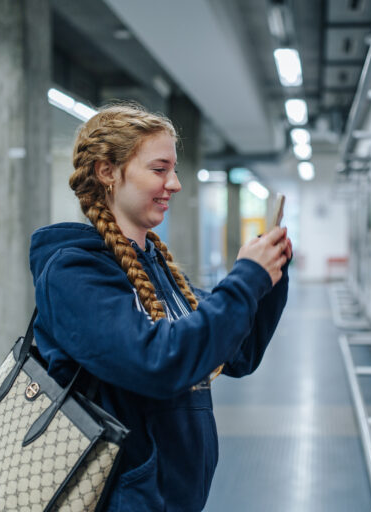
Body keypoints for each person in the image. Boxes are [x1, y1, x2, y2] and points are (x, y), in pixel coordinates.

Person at [28, 103, 292, 511]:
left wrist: (268, 279)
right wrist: (246, 279)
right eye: (159, 169)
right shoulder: (73, 272)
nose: (175, 183)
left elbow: (239, 353)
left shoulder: (156, 268)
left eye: (174, 169)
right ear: (107, 172)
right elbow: (158, 362)